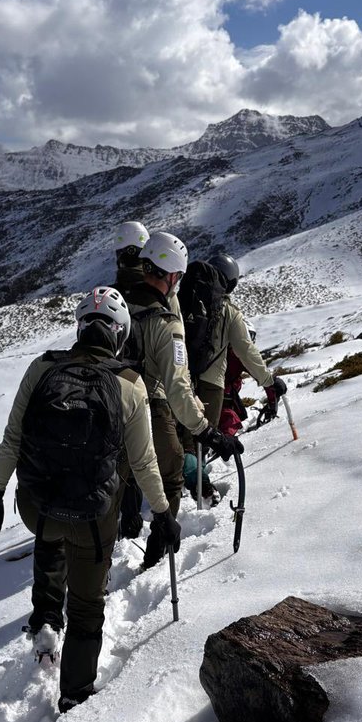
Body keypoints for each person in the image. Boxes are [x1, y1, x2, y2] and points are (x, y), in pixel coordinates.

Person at [0, 287, 180, 712]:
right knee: (87, 606)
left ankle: (46, 621)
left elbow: (13, 438)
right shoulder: (130, 385)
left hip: (38, 509)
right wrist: (162, 512)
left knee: (51, 539)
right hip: (92, 519)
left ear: (81, 328)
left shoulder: (42, 368)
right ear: (120, 334)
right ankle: (75, 692)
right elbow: (144, 462)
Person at [114, 232, 242, 568]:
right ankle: (158, 549)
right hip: (149, 405)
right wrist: (207, 431)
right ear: (172, 275)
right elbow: (178, 387)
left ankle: (96, 570)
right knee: (170, 474)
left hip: (109, 404)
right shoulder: (167, 322)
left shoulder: (118, 304)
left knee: (112, 483)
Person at [188, 252, 286, 434]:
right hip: (210, 382)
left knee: (184, 434)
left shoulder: (186, 300)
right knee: (206, 434)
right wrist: (269, 381)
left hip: (180, 378)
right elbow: (246, 351)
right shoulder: (229, 312)